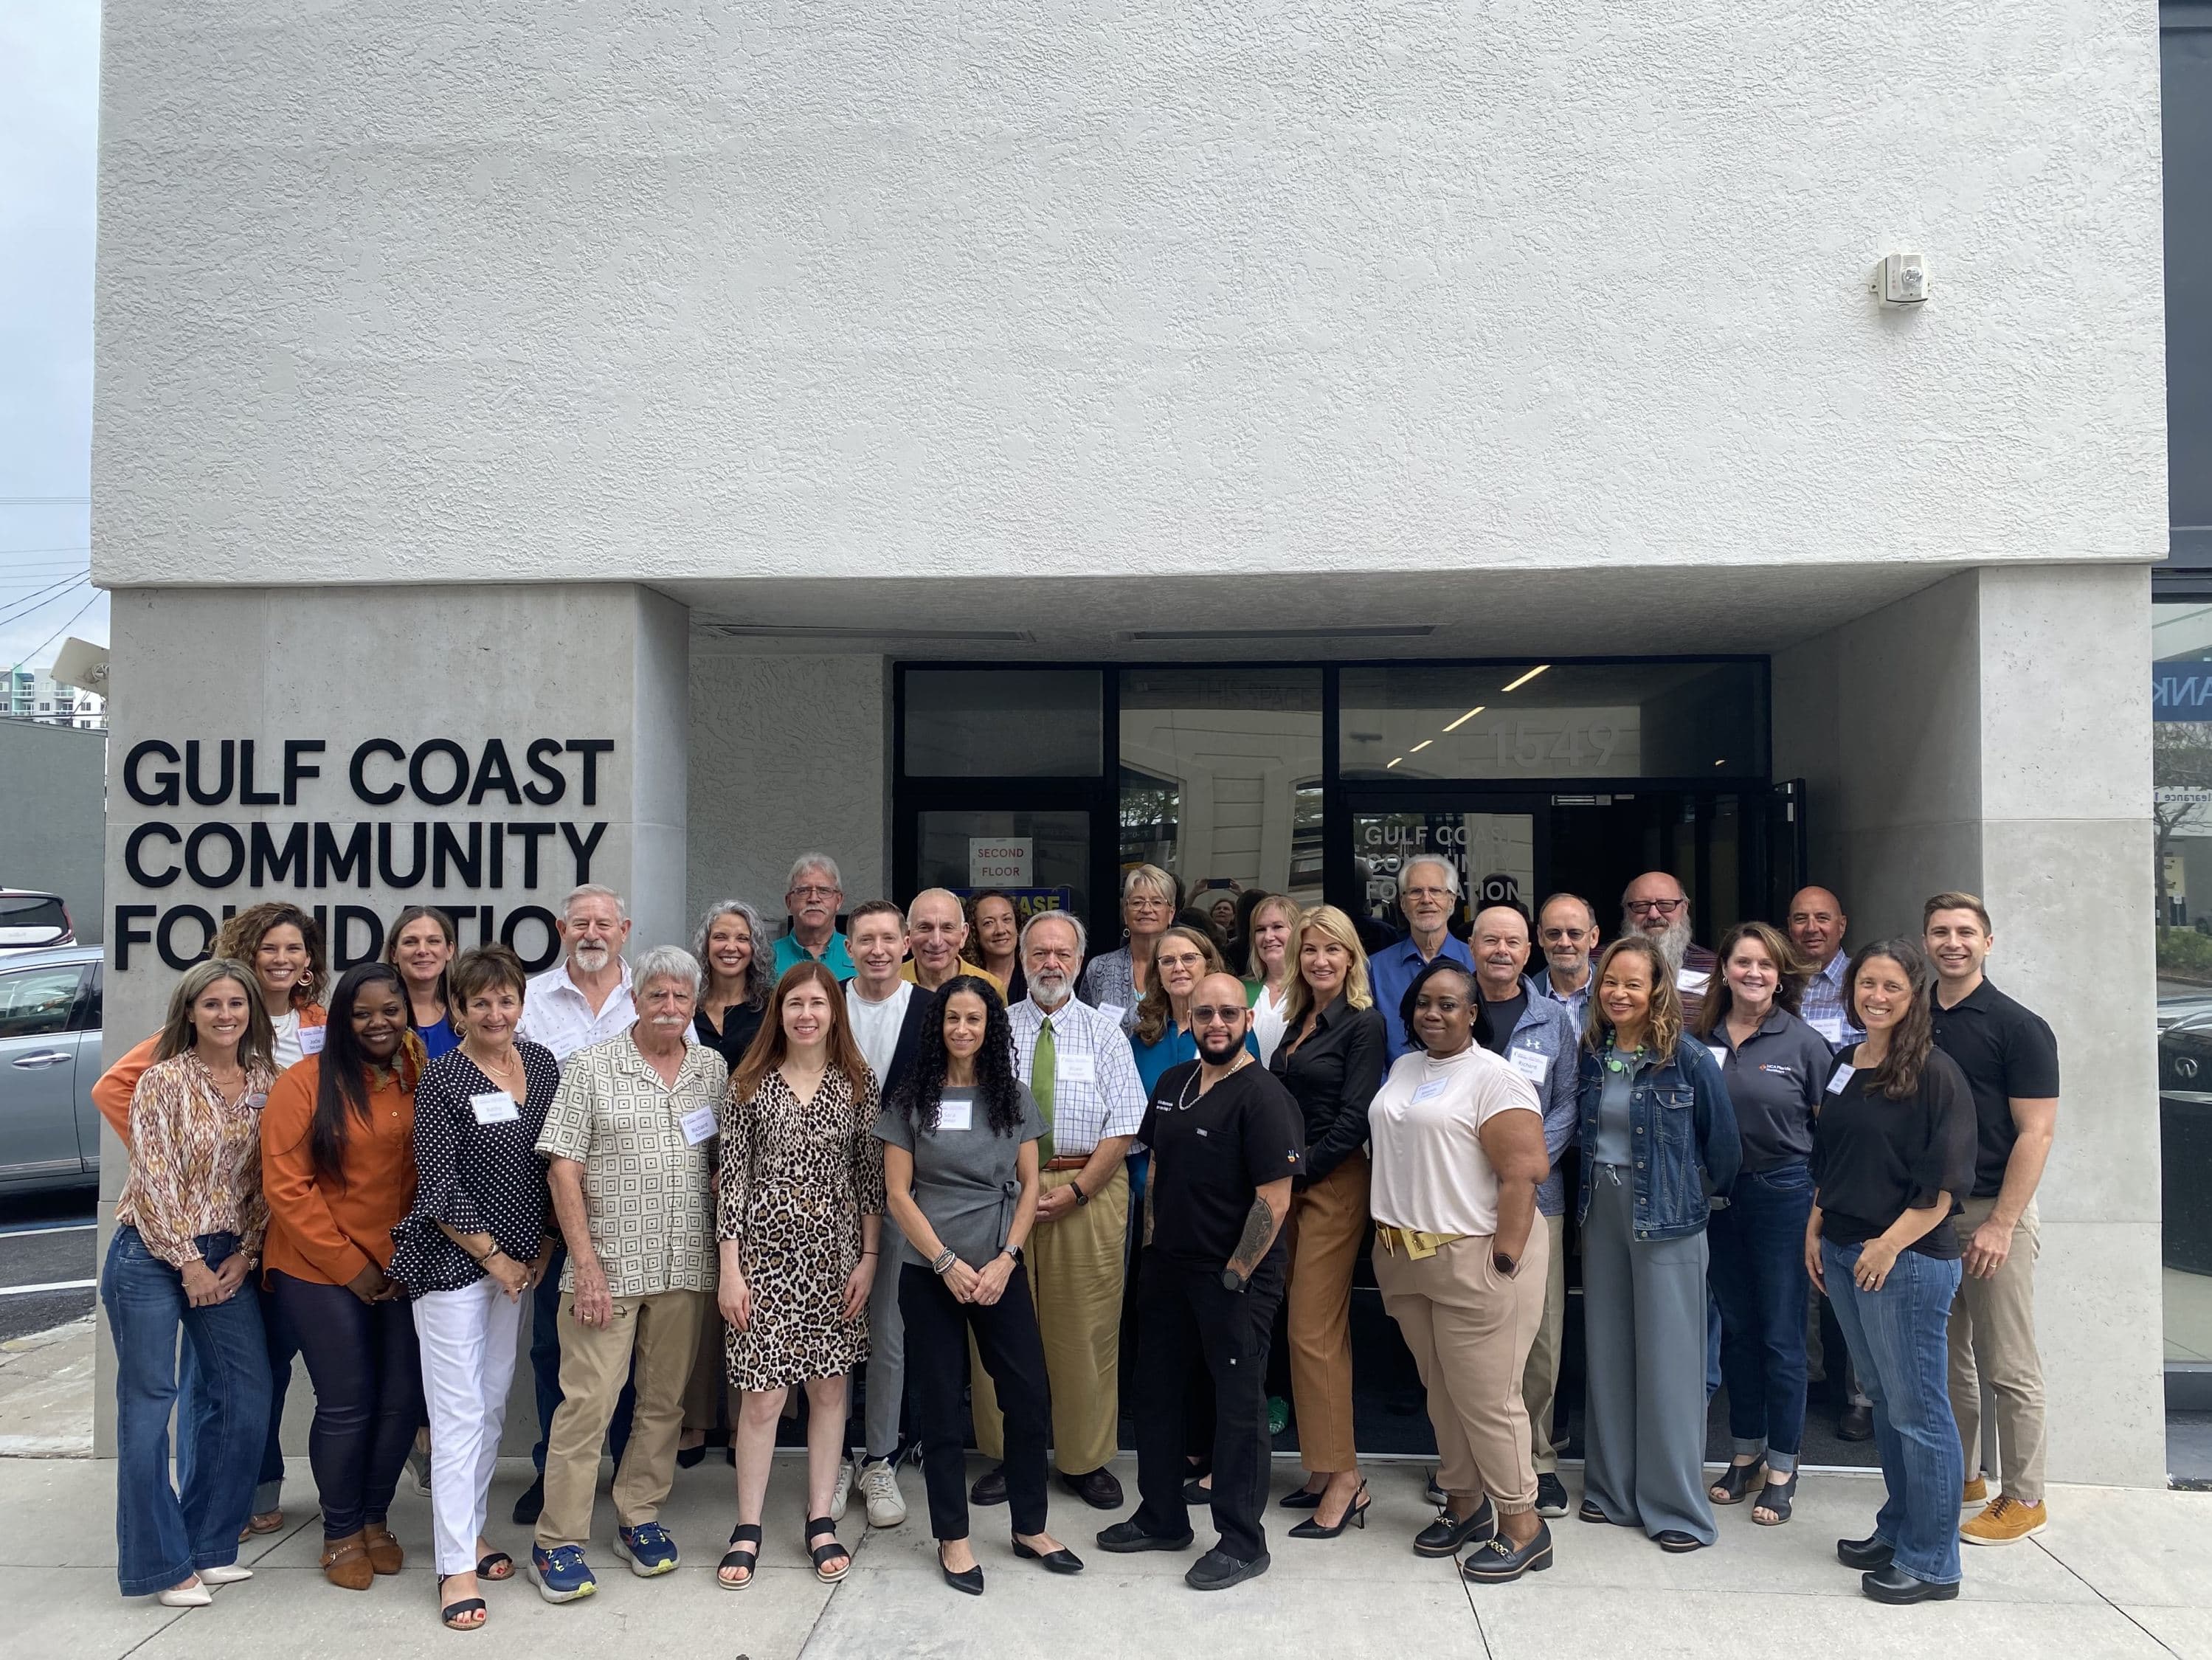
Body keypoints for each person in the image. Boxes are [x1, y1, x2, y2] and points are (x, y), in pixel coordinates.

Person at [94, 900, 328, 1538]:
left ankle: (217, 1519)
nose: (283, 960)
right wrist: (175, 1161)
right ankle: (207, 1518)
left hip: (262, 1234)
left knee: (247, 1380)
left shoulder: (317, 1028)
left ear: (310, 964)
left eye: (295, 950)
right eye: (271, 948)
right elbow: (117, 1090)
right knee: (195, 1387)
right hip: (174, 1240)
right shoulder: (181, 1058)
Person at [528, 946, 727, 1603]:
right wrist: (583, 1266)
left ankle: (639, 1516)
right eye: (656, 995)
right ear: (635, 998)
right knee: (588, 1405)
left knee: (663, 1402)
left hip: (684, 1263)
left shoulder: (711, 1069)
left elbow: (721, 1163)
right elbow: (563, 1170)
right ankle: (557, 1541)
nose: (668, 1007)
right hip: (606, 1270)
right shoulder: (589, 1067)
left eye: (680, 997)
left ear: (693, 1005)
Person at [1098, 972, 1303, 1591]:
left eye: (1229, 1014)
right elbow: (1158, 1167)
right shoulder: (1171, 1083)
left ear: (1245, 1020)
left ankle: (1242, 1541)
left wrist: (1236, 1276)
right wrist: (1155, 1246)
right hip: (1168, 1271)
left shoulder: (1265, 1097)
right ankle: (1162, 1517)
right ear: (1190, 1020)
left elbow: (1275, 1200)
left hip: (1234, 1278)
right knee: (1155, 1395)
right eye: (1205, 1014)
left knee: (1237, 1411)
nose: (1216, 1024)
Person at [878, 976, 1079, 1594]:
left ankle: (1029, 1527)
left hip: (998, 1272)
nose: (963, 1030)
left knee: (1027, 1395)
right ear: (937, 1026)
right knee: (940, 1407)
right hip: (929, 1271)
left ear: (992, 1029)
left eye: (975, 1020)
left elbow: (1029, 1186)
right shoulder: (911, 1098)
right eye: (952, 1019)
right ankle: (954, 1538)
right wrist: (944, 1262)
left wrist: (1007, 1259)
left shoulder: (1013, 1098)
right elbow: (896, 1195)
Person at [389, 944, 561, 1632]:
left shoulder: (541, 1065)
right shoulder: (443, 1079)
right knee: (457, 1416)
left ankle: (471, 1531)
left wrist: (543, 1246)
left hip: (521, 1266)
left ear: (522, 1003)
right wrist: (496, 1260)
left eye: (506, 999)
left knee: (490, 1407)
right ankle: (454, 1564)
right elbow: (439, 1187)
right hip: (456, 1267)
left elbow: (554, 1161)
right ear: (457, 1008)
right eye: (480, 1001)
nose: (495, 1012)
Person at [1369, 958, 1556, 1583]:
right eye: (1424, 1002)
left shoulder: (1494, 1079)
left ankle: (1523, 1524)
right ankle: (1465, 1503)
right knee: (1443, 1393)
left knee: (1488, 1399)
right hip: (1405, 1257)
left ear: (1473, 1014)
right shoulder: (1405, 1067)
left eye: (1449, 1004)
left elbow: (1524, 1171)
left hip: (1475, 1253)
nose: (1434, 1013)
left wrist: (1502, 1258)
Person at [103, 958, 276, 1606]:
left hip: (227, 1253)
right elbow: (152, 1182)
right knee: (150, 1408)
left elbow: (264, 1181)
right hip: (151, 1254)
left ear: (251, 1013)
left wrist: (246, 1253)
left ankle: (208, 1544)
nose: (225, 1015)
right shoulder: (162, 1081)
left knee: (245, 1392)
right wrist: (189, 1263)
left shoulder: (267, 1080)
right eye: (212, 1005)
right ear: (190, 1012)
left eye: (236, 1004)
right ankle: (160, 1564)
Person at [1811, 938, 1977, 1604]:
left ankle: (1934, 1562)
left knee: (1920, 1410)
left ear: (1914, 998)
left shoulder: (1936, 1073)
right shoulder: (1845, 1062)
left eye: (1891, 988)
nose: (1875, 997)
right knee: (1885, 1399)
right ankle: (1899, 1526)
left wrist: (1887, 1245)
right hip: (1846, 1250)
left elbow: (1945, 1185)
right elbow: (1833, 1154)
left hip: (1905, 1261)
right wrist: (1816, 1227)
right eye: (1866, 985)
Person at [713, 962, 886, 1591]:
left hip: (835, 1260)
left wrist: (868, 1259)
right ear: (779, 1013)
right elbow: (730, 1184)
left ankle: (819, 1518)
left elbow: (871, 1181)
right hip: (762, 1260)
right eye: (795, 1005)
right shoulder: (749, 1083)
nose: (806, 1015)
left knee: (830, 1391)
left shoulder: (858, 1085)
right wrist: (730, 1270)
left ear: (833, 1012)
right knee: (762, 1398)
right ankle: (748, 1524)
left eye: (818, 1004)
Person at [968, 910, 1146, 1511]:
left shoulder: (1105, 1033)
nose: (1051, 963)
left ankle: (1084, 1458)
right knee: (1000, 1330)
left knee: (1085, 1331)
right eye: (1039, 952)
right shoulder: (996, 1030)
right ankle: (1008, 1455)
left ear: (1078, 961)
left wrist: (1077, 1192)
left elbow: (1124, 1126)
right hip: (1001, 1195)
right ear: (1021, 960)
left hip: (1084, 1189)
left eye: (1062, 954)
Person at [260, 963, 425, 1591]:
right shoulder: (304, 1084)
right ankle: (339, 1532)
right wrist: (350, 1265)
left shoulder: (418, 1081)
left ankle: (376, 1518)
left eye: (391, 1010)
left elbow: (427, 1177)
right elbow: (287, 1187)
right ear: (340, 1019)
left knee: (400, 1399)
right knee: (348, 1401)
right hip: (316, 1265)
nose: (378, 1023)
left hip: (400, 1266)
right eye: (362, 1012)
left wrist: (406, 1261)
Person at [1575, 935, 1738, 1552]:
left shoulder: (1690, 1059)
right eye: (1610, 981)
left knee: (1671, 1365)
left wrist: (1689, 1198)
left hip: (1669, 1218)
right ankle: (1612, 1492)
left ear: (1657, 991)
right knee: (1610, 1353)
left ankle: (1676, 1510)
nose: (1619, 993)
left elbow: (1724, 1149)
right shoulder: (1591, 1053)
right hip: (1602, 1213)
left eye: (1633, 984)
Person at [1925, 893, 2060, 1546]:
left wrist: (2002, 1223)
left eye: (1965, 932)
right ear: (1926, 942)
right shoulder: (1914, 1016)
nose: (1952, 942)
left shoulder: (2019, 1026)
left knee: (2008, 1362)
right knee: (1948, 1362)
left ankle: (2025, 1496)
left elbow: (2036, 1133)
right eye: (1940, 932)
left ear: (1988, 942)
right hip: (1927, 1216)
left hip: (1988, 1212)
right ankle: (1966, 1477)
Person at [1693, 922, 1833, 1526]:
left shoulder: (1804, 1044)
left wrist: (1821, 1214)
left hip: (1784, 1196)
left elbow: (1832, 1135)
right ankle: (1744, 1452)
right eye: (1743, 963)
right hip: (1719, 1198)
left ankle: (1783, 1464)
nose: (1754, 974)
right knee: (1738, 1332)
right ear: (1723, 969)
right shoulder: (1700, 1038)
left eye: (1766, 966)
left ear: (1781, 976)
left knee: (1781, 1336)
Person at [511, 883, 639, 1526]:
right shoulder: (531, 1000)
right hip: (549, 1195)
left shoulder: (651, 998)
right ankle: (552, 1469)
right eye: (580, 923)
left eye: (604, 923)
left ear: (625, 929)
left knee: (629, 1347)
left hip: (632, 1198)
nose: (592, 933)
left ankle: (623, 1475)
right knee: (553, 1346)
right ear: (562, 929)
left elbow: (688, 1075)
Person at [1268, 905, 1385, 1535]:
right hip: (1294, 1183)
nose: (1319, 960)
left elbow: (1354, 1116)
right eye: (1309, 950)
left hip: (1332, 1183)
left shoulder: (1363, 1024)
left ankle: (1346, 1480)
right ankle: (1320, 1466)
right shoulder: (1298, 1019)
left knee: (1314, 1329)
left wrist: (1299, 1171)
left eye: (1332, 951)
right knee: (1306, 1329)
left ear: (1350, 957)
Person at [1464, 903, 1580, 1519]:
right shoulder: (1452, 1009)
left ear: (1527, 951)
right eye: (1490, 941)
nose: (1501, 951)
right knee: (1464, 1334)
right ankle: (1468, 1463)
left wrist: (1522, 1166)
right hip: (1459, 1197)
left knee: (1539, 1333)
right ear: (1473, 946)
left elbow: (1568, 1105)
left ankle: (1537, 1458)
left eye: (1512, 941)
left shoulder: (1553, 1020)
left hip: (1538, 1198)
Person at [841, 899, 939, 1527]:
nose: (877, 949)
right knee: (824, 1323)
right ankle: (835, 1459)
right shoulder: (820, 1002)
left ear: (906, 945)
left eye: (887, 938)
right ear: (847, 948)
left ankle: (880, 1456)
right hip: (823, 1190)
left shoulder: (932, 1013)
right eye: (864, 939)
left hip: (905, 1190)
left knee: (890, 1329)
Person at [1368, 854, 1475, 1061]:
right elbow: (1367, 1047)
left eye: (1435, 891)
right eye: (1416, 892)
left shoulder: (1475, 962)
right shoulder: (1374, 969)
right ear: (1403, 903)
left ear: (1451, 901)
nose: (1427, 900)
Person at [1130, 924, 1232, 1093]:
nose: (1178, 968)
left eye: (1189, 958)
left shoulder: (1233, 1029)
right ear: (1158, 973)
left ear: (1208, 966)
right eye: (1168, 961)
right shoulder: (1143, 1038)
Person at [1078, 863, 1177, 1032]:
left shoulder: (1183, 967)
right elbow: (1083, 1026)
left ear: (1171, 913)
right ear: (1125, 913)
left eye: (1157, 902)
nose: (1146, 909)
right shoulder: (1100, 968)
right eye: (1137, 902)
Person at [1620, 871, 1716, 1026]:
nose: (1653, 915)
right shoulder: (1599, 963)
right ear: (1627, 910)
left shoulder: (1713, 967)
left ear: (1684, 908)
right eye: (1641, 906)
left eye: (1665, 905)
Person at [693, 899, 774, 1066]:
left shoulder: (772, 1007)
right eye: (720, 937)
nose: (731, 947)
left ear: (755, 948)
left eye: (742, 939)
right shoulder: (687, 1005)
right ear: (705, 945)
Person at [1788, 885, 1864, 1047]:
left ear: (1842, 926)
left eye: (1822, 918)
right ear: (1790, 927)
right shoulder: (1775, 983)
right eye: (1801, 919)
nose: (1811, 928)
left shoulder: (1864, 981)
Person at [384, 905, 461, 1059]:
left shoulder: (469, 1016)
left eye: (433, 941)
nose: (422, 950)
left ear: (449, 950)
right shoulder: (377, 1019)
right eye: (410, 942)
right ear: (394, 954)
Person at [903, 887, 1006, 997]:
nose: (936, 942)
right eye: (924, 928)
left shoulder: (991, 988)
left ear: (963, 935)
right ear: (908, 934)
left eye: (947, 928)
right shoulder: (888, 983)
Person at [773, 852, 856, 979]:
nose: (813, 899)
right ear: (789, 902)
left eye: (824, 891)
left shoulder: (859, 953)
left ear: (838, 901)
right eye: (803, 891)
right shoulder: (766, 958)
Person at [1242, 893, 1299, 1068]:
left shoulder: (1313, 991)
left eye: (1277, 927)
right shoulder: (1240, 990)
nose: (1268, 937)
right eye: (1260, 930)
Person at [1532, 892, 1601, 1033]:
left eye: (1575, 934)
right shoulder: (1526, 997)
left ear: (1593, 937)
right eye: (1554, 933)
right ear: (1540, 936)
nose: (1564, 943)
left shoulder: (1613, 996)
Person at [963, 888, 1025, 1003]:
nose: (1000, 930)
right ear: (974, 931)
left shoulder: (1034, 973)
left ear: (1017, 926)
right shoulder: (964, 978)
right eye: (989, 923)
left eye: (1006, 919)